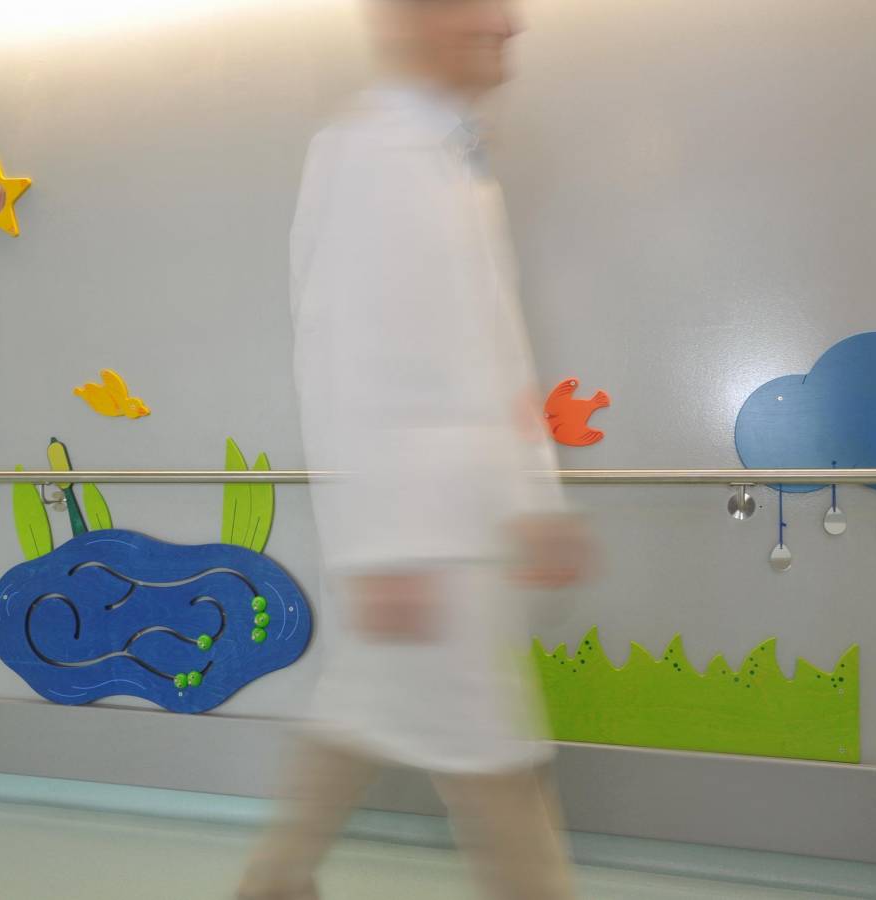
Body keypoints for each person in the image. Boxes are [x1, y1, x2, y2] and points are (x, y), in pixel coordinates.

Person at [237, 2, 590, 898]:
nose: (511, 24)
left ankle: (273, 884)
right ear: (419, 18)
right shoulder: (366, 155)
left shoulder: (460, 167)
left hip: (464, 535)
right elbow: (340, 362)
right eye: (487, 5)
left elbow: (496, 358)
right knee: (496, 772)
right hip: (422, 544)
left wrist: (536, 499)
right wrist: (379, 548)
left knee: (363, 728)